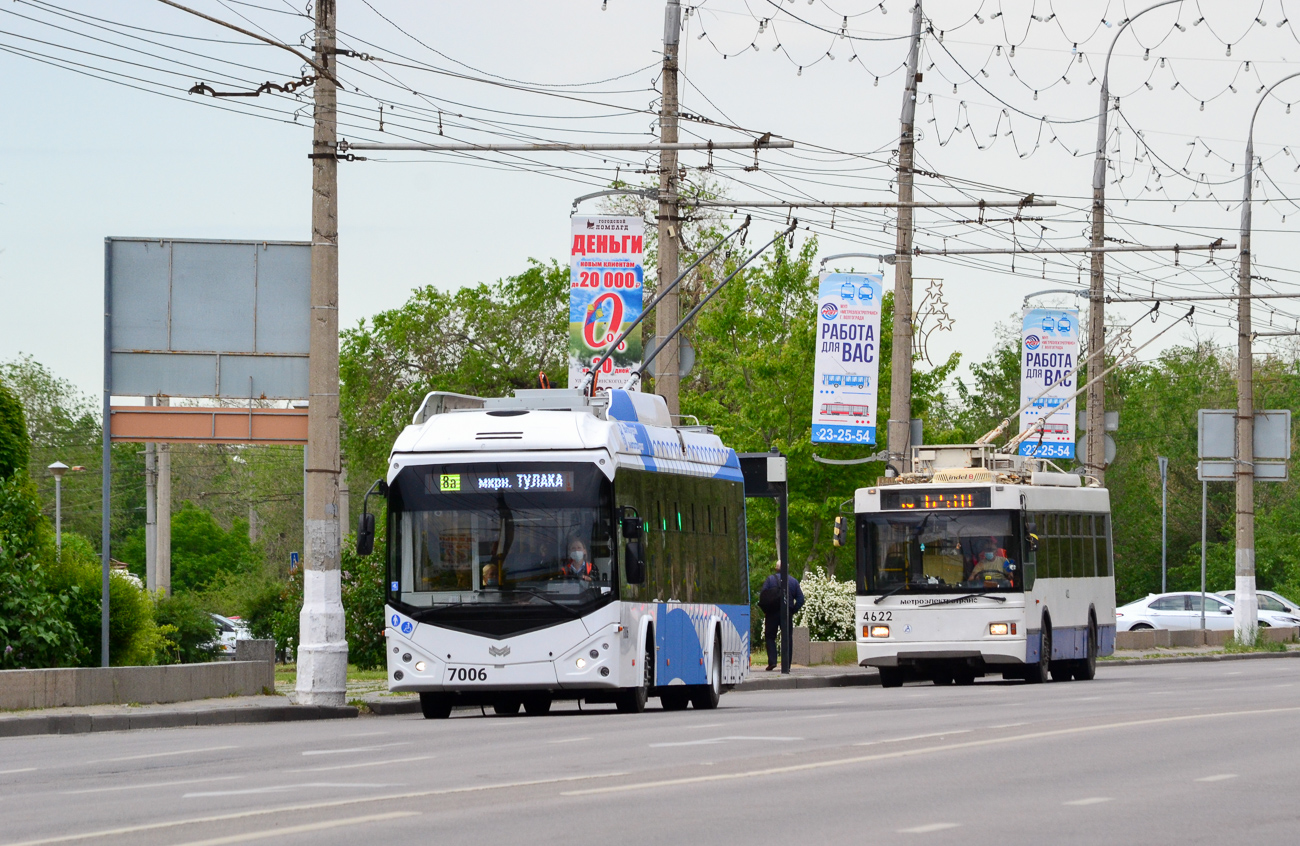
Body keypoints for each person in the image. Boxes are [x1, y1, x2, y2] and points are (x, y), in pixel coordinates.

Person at [759, 563, 805, 672]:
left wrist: (766, 610)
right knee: (787, 637)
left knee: (770, 636)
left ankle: (772, 661)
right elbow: (800, 599)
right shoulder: (793, 582)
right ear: (787, 569)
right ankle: (786, 664)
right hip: (786, 612)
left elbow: (763, 596)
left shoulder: (770, 580)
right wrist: (792, 610)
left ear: (776, 568)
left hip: (772, 613)